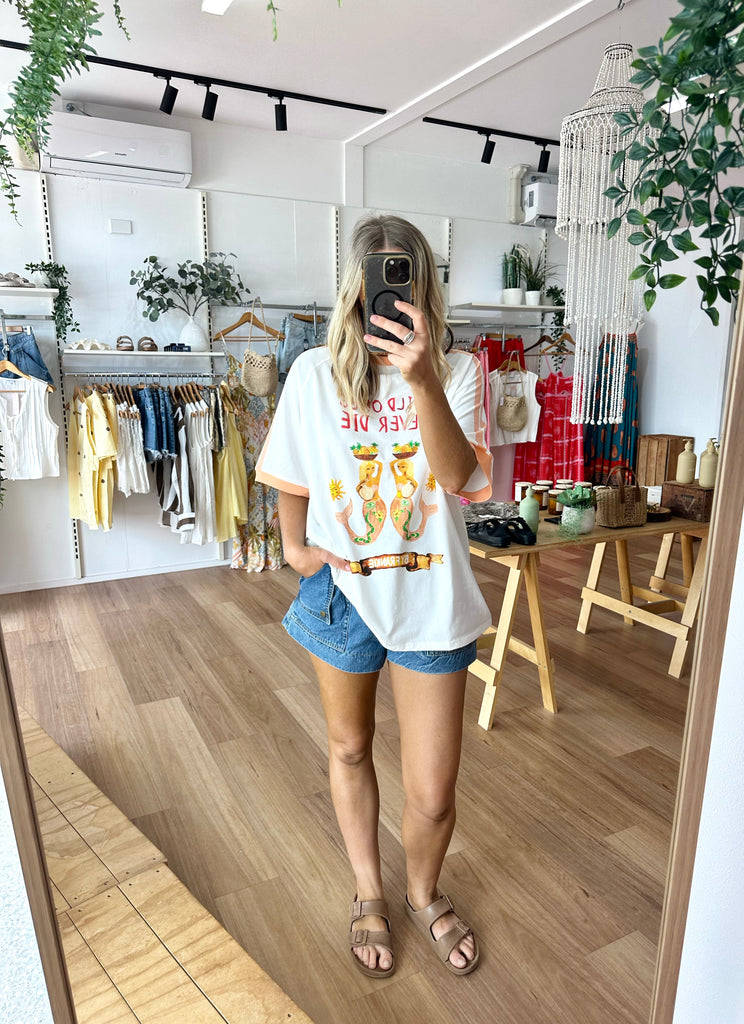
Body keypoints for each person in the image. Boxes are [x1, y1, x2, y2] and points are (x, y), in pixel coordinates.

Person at [256, 215, 492, 978]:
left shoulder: (461, 370)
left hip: (433, 598)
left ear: (424, 286)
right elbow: (291, 471)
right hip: (343, 596)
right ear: (356, 290)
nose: (393, 294)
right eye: (380, 279)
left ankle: (423, 891)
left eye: (406, 277)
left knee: (433, 793)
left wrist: (422, 379)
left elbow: (457, 478)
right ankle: (369, 891)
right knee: (349, 747)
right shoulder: (312, 373)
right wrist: (295, 548)